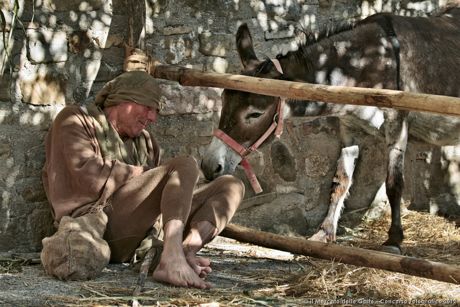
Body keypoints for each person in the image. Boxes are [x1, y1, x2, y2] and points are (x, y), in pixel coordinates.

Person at [42, 70, 245, 289]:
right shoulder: (75, 119)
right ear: (124, 99)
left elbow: (162, 194)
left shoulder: (145, 141)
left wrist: (157, 178)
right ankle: (172, 259)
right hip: (98, 224)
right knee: (185, 164)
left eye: (155, 111)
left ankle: (183, 252)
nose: (152, 118)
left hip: (144, 230)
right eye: (148, 107)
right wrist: (147, 173)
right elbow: (88, 177)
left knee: (231, 186)